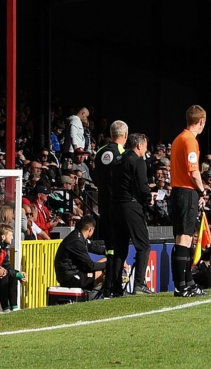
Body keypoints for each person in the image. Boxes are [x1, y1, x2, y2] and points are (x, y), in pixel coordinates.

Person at [168, 106, 208, 296]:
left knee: (180, 239)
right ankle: (181, 286)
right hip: (186, 192)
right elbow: (194, 172)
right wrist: (202, 190)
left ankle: (187, 283)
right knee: (184, 240)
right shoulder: (190, 141)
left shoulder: (178, 139)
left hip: (176, 191)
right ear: (201, 121)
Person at [95, 120, 130, 298]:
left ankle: (108, 288)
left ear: (110, 134)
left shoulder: (99, 152)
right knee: (119, 248)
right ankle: (115, 286)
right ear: (125, 136)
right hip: (118, 206)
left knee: (109, 248)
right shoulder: (123, 153)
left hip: (103, 206)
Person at [119, 133, 157, 293]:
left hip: (116, 207)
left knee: (118, 248)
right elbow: (142, 185)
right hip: (132, 206)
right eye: (146, 145)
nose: (146, 149)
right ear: (139, 145)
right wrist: (149, 198)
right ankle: (139, 283)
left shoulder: (118, 160)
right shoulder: (138, 161)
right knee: (143, 246)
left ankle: (114, 286)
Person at [56, 218, 104, 294]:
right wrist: (112, 264)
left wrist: (111, 253)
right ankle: (95, 298)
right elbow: (90, 266)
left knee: (107, 260)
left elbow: (95, 248)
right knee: (101, 274)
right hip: (70, 278)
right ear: (90, 229)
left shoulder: (79, 236)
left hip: (75, 272)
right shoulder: (76, 241)